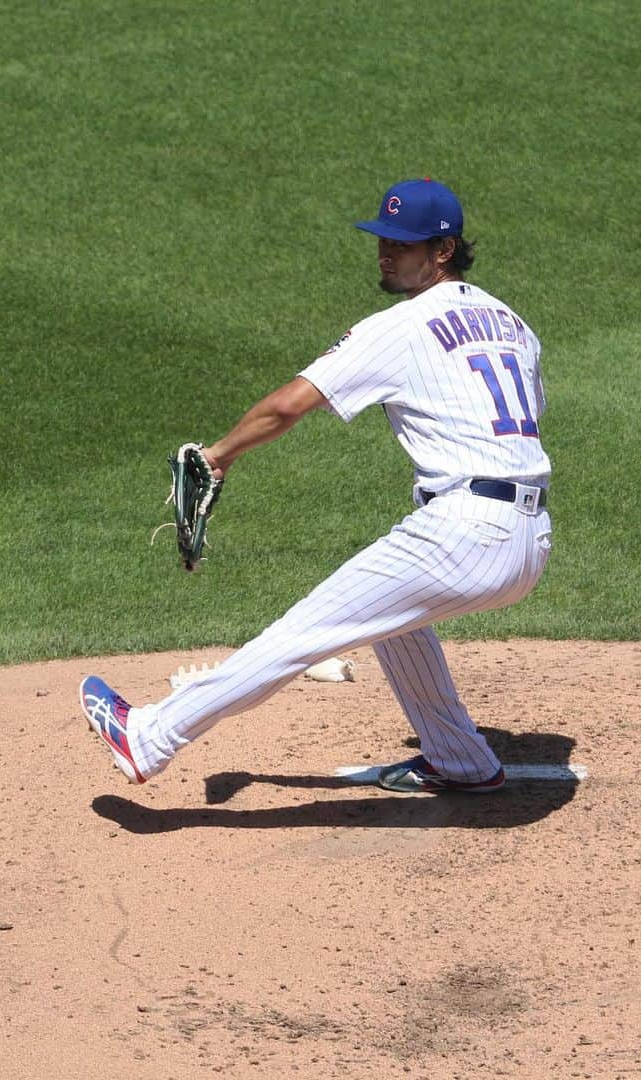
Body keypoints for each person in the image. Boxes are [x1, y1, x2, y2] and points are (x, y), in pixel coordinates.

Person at [79, 177, 553, 793]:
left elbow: (288, 406)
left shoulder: (402, 325)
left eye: (403, 244)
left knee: (303, 633)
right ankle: (460, 758)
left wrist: (219, 456)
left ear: (443, 251)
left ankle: (149, 737)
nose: (386, 252)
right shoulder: (513, 324)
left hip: (463, 531)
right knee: (391, 617)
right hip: (530, 538)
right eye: (383, 239)